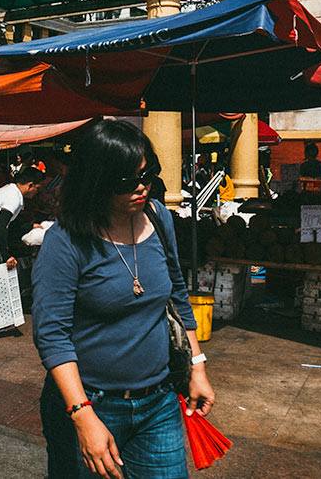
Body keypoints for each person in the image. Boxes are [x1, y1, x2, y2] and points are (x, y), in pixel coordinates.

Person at [33, 119, 213, 479]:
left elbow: (177, 295)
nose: (142, 188)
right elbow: (52, 336)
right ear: (95, 181)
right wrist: (84, 418)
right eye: (126, 182)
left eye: (148, 175)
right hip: (92, 403)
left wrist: (198, 367)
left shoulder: (158, 218)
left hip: (159, 401)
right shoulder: (66, 240)